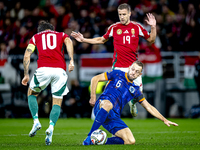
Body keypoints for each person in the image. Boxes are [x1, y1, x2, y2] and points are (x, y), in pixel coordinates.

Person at [71, 3, 157, 117]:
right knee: (109, 93)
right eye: (120, 14)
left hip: (133, 67)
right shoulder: (114, 27)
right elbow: (101, 40)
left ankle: (132, 103)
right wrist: (83, 40)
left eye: (124, 14)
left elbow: (151, 39)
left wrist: (153, 26)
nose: (122, 17)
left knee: (139, 94)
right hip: (118, 67)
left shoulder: (137, 27)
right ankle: (97, 114)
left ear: (130, 14)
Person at [83, 60, 178, 145]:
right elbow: (95, 79)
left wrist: (164, 119)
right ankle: (89, 137)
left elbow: (148, 107)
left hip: (113, 116)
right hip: (102, 106)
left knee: (130, 141)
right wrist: (93, 96)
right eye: (133, 69)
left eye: (137, 72)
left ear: (140, 75)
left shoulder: (136, 90)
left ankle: (101, 141)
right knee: (108, 104)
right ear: (129, 68)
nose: (133, 72)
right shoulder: (117, 73)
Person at [21, 21, 74, 145]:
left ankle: (36, 121)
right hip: (60, 71)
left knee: (31, 93)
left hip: (43, 70)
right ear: (52, 29)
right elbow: (69, 41)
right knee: (57, 101)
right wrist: (71, 60)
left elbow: (27, 55)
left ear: (40, 30)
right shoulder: (61, 35)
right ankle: (51, 127)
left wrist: (26, 74)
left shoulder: (36, 37)